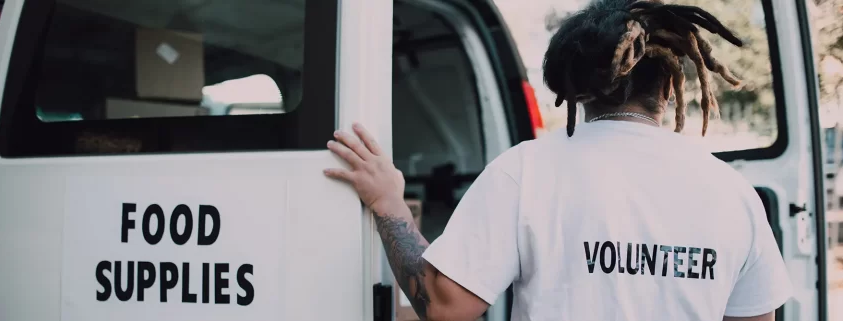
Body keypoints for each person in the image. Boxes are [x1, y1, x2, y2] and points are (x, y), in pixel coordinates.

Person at [324, 0, 793, 319]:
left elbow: (446, 306)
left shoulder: (526, 171)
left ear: (571, 90)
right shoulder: (732, 192)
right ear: (669, 86)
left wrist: (390, 206)